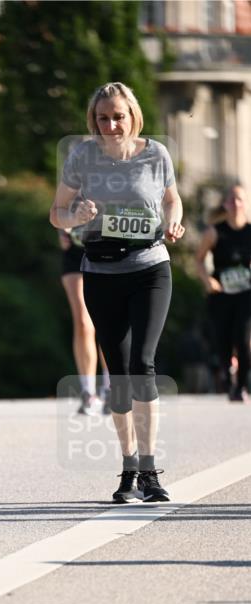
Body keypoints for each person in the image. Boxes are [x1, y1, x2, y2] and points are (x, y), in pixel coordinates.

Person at [50, 81, 185, 503]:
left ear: (133, 117)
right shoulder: (82, 156)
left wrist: (173, 220)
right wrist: (76, 215)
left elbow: (172, 199)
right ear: (93, 120)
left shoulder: (155, 154)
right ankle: (129, 467)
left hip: (150, 268)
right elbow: (56, 213)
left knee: (143, 364)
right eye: (103, 118)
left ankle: (150, 470)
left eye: (118, 117)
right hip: (101, 272)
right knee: (121, 375)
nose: (111, 125)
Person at [195, 182, 251, 402]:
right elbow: (199, 260)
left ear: (245, 204)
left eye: (240, 199)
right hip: (221, 295)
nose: (236, 203)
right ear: (226, 204)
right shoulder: (214, 232)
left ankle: (241, 387)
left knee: (243, 339)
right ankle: (228, 376)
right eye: (232, 199)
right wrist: (207, 280)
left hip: (246, 294)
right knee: (222, 340)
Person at [59, 224, 111, 414]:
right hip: (76, 253)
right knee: (83, 322)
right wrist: (62, 229)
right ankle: (88, 392)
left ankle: (110, 388)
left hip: (109, 253)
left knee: (107, 322)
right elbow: (59, 211)